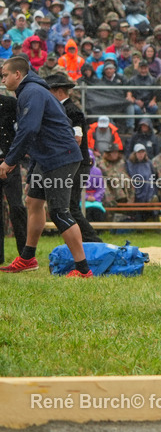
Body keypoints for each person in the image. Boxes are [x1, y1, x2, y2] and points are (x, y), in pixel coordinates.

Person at [0, 57, 91, 277]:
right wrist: (32, 169)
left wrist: (10, 160)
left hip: (61, 157)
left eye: (4, 75)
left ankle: (83, 270)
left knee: (59, 212)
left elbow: (29, 130)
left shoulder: (31, 92)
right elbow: (38, 134)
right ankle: (28, 258)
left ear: (17, 75)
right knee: (33, 201)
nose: (2, 80)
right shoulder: (29, 91)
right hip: (47, 157)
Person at [45, 73, 102, 243]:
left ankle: (93, 241)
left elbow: (77, 138)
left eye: (50, 91)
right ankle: (87, 242)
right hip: (76, 164)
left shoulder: (72, 111)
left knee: (70, 206)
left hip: (76, 165)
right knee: (70, 206)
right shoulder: (66, 109)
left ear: (59, 91)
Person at [0, 91, 28, 263]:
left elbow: (22, 130)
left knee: (17, 207)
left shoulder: (11, 103)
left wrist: (14, 158)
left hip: (10, 162)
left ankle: (25, 255)